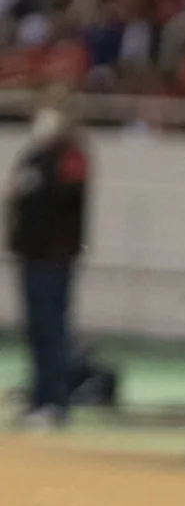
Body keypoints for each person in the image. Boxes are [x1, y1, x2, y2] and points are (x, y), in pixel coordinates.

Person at [7, 85, 89, 430]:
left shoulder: (72, 156)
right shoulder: (32, 155)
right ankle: (39, 398)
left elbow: (67, 198)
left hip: (55, 256)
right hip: (30, 253)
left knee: (53, 329)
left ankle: (57, 401)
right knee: (35, 331)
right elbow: (15, 198)